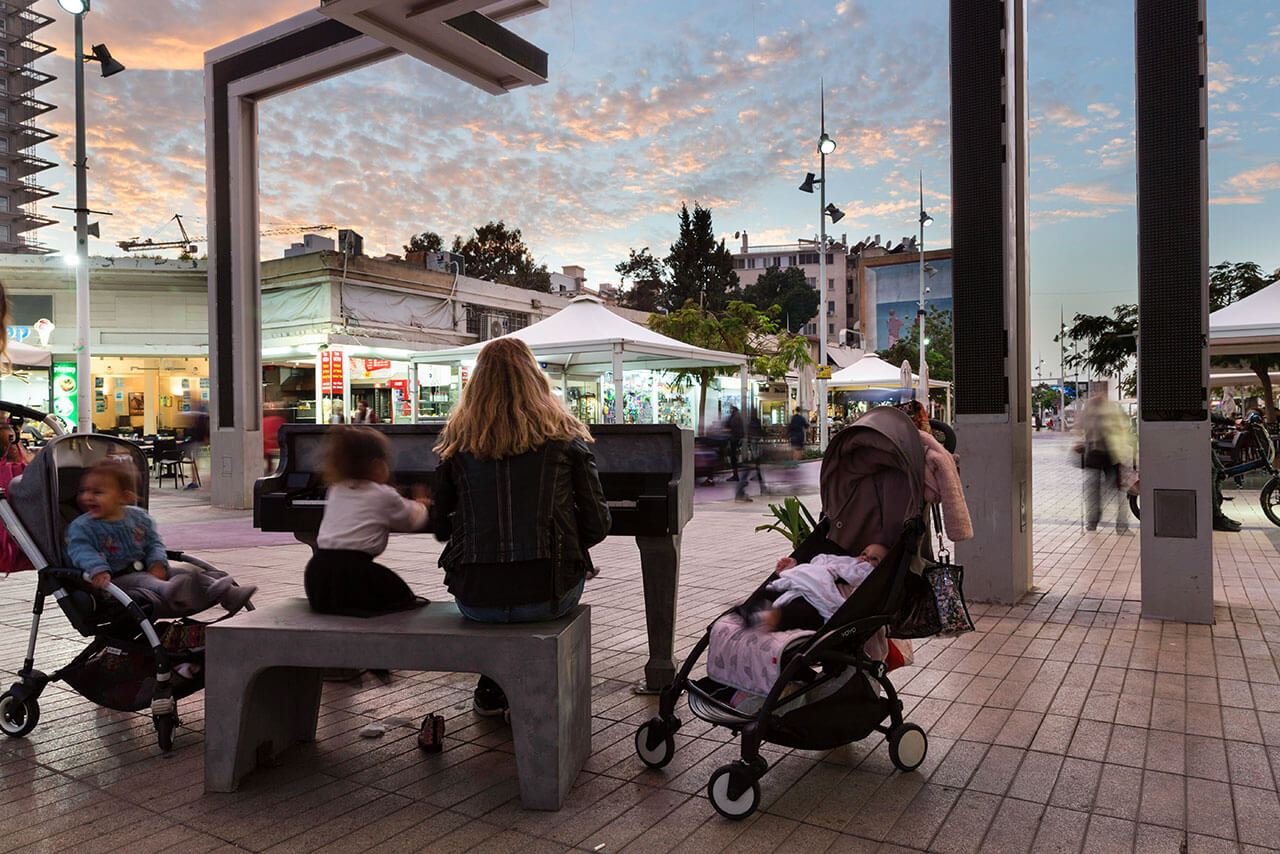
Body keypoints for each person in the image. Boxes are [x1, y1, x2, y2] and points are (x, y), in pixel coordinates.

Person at [428, 337, 611, 718]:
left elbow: (441, 526)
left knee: (497, 594)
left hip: (477, 600)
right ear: (535, 380)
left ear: (475, 385)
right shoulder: (565, 440)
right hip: (549, 595)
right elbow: (598, 524)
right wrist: (565, 540)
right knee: (549, 582)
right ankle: (527, 693)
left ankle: (494, 687)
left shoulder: (456, 444)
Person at [65, 458, 256, 616]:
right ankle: (171, 591)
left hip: (148, 569)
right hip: (115, 581)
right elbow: (80, 550)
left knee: (184, 574)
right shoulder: (82, 527)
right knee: (146, 581)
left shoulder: (138, 518)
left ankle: (227, 593)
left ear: (124, 497)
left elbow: (154, 543)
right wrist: (97, 569)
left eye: (97, 492)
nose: (87, 497)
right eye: (83, 491)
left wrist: (157, 562)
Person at [304, 425, 432, 616]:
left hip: (318, 576)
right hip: (356, 575)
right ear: (377, 465)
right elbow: (411, 521)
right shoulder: (384, 494)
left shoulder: (336, 489)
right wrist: (422, 504)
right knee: (402, 595)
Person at [745, 544, 890, 632]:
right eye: (864, 553)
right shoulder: (845, 561)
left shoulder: (867, 575)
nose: (866, 558)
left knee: (803, 613)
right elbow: (816, 567)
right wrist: (793, 569)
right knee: (771, 590)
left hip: (821, 604)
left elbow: (855, 578)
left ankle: (769, 617)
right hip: (802, 588)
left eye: (874, 559)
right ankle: (749, 608)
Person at [1075, 390, 1134, 533]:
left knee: (1119, 491)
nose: (1099, 394)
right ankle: (1093, 521)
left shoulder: (1113, 407)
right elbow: (1079, 427)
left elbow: (1123, 429)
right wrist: (1079, 442)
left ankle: (1121, 525)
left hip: (1113, 454)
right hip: (1095, 454)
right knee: (1093, 491)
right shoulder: (1089, 408)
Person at [725, 405, 744, 482]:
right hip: (735, 439)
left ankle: (735, 475)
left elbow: (731, 426)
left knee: (733, 457)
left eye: (731, 409)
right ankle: (735, 475)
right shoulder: (737, 416)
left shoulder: (735, 417)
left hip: (734, 439)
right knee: (733, 457)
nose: (730, 410)